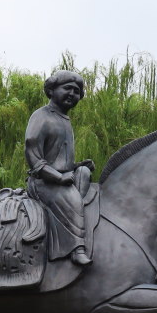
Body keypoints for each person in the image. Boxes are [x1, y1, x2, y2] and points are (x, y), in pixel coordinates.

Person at [25, 70, 95, 266]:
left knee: (84, 173)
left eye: (77, 91)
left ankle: (75, 220)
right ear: (51, 90)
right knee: (71, 198)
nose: (72, 94)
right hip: (43, 181)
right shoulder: (41, 116)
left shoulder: (65, 120)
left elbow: (59, 159)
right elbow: (33, 154)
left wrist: (78, 166)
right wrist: (57, 177)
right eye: (67, 88)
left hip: (64, 176)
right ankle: (76, 249)